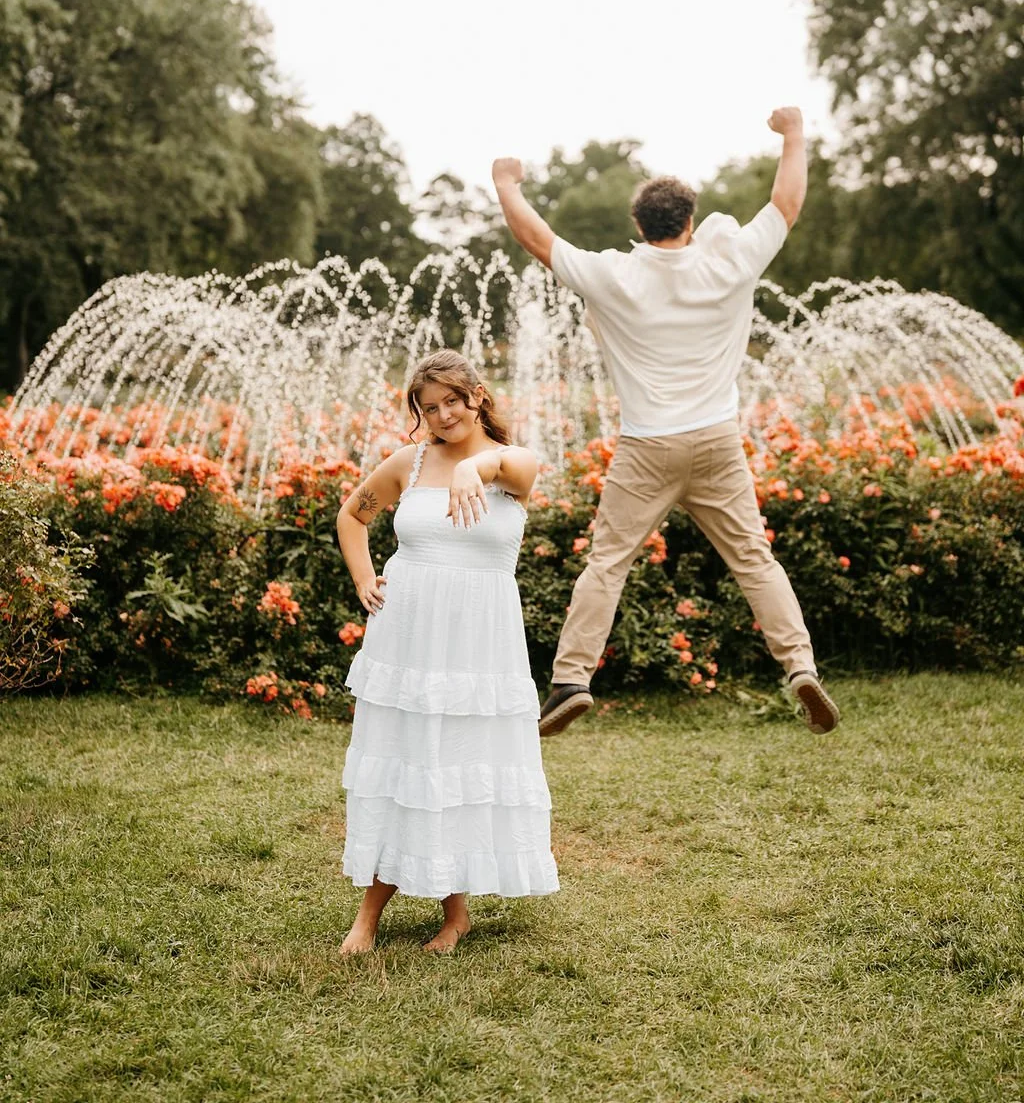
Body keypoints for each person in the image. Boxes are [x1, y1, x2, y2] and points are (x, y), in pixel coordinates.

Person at [491, 106, 840, 739]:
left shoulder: (615, 274)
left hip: (647, 446)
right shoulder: (728, 263)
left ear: (639, 226)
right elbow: (786, 203)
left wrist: (508, 183)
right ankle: (800, 668)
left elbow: (536, 239)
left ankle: (571, 681)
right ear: (690, 221)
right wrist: (792, 134)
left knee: (608, 563)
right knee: (755, 561)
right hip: (716, 442)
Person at [335, 349, 558, 956]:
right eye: (429, 408)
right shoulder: (409, 464)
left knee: (456, 766)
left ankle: (454, 916)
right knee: (404, 761)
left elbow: (521, 463)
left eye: (452, 401)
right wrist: (362, 578)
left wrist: (474, 470)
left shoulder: (512, 469)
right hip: (408, 633)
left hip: (478, 642)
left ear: (478, 396)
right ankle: (368, 917)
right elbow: (352, 516)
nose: (442, 415)